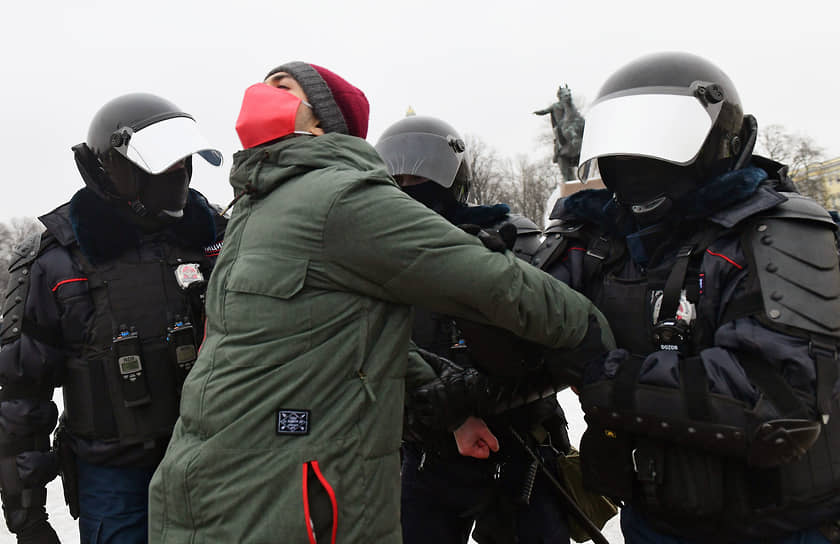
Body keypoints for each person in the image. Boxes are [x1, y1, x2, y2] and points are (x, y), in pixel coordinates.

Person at [147, 61, 615, 544]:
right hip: (210, 478)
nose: (260, 95)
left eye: (282, 88)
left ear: (323, 121)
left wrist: (589, 335)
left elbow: (490, 279)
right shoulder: (252, 209)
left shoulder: (339, 197)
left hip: (290, 493)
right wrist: (453, 412)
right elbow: (345, 336)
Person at [532, 51, 840, 542]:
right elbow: (515, 331)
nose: (639, 161)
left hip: (778, 528)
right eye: (627, 141)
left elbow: (777, 406)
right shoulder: (609, 240)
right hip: (654, 517)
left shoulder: (779, 232)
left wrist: (602, 372)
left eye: (661, 137)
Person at [0, 93, 226, 543]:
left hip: (215, 464)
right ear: (115, 170)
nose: (178, 173)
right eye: (163, 164)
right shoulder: (59, 261)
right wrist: (27, 515)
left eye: (183, 162)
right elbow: (21, 394)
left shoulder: (215, 239)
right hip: (114, 480)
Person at [374, 115, 573, 544]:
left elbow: (550, 349)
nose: (407, 187)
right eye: (397, 177)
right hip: (428, 455)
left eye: (419, 176)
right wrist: (450, 415)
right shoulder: (376, 261)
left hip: (519, 450)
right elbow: (377, 355)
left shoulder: (506, 243)